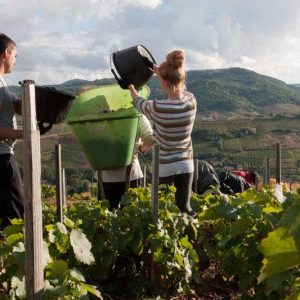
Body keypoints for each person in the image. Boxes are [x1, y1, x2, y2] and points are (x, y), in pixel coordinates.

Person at [128, 49, 197, 216]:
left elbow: (137, 102)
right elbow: (178, 86)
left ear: (165, 82)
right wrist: (162, 73)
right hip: (186, 164)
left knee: (159, 209)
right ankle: (197, 235)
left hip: (165, 166)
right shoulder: (191, 102)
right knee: (185, 208)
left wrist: (130, 85)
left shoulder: (158, 107)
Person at [101, 114, 153, 208]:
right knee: (130, 217)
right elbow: (150, 138)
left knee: (106, 216)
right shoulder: (137, 114)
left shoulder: (98, 114)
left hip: (105, 176)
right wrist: (140, 147)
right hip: (131, 174)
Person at [0, 33, 24, 230]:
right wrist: (23, 134)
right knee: (14, 219)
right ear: (5, 53)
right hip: (2, 161)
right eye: (15, 56)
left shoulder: (2, 84)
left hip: (5, 157)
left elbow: (12, 106)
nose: (15, 61)